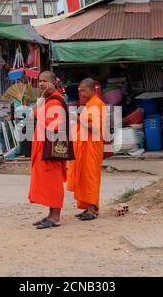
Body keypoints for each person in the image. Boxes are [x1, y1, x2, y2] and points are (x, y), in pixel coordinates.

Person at [29, 71, 68, 229]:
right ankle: (51, 215)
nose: (41, 84)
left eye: (45, 81)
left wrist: (39, 106)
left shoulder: (56, 101)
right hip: (44, 147)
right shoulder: (48, 100)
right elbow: (34, 114)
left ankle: (56, 217)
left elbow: (53, 125)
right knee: (47, 182)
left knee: (54, 183)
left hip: (52, 149)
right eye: (40, 81)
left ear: (53, 83)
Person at [67, 78, 106, 221]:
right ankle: (89, 207)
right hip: (84, 146)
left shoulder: (97, 104)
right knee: (83, 176)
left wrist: (77, 119)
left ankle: (92, 210)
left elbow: (95, 128)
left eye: (84, 90)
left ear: (93, 89)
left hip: (92, 148)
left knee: (90, 177)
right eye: (80, 91)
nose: (81, 93)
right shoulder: (89, 105)